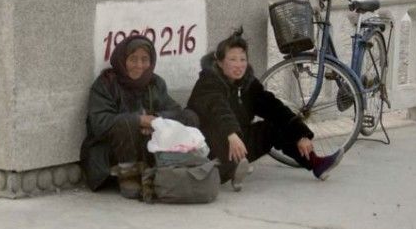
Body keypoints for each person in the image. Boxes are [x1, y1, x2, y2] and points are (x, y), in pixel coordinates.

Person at [186, 28, 343, 191]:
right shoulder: (208, 82)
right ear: (219, 62)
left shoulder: (248, 84)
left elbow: (273, 107)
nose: (239, 65)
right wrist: (231, 133)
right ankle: (224, 169)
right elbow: (218, 109)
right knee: (221, 132)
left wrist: (300, 134)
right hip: (209, 146)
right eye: (232, 59)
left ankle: (316, 163)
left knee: (273, 127)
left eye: (242, 59)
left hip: (238, 143)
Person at [80, 34, 198, 199]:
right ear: (123, 60)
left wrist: (155, 120)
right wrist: (139, 120)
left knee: (189, 117)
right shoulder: (106, 83)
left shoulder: (155, 83)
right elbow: (99, 123)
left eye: (144, 60)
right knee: (127, 122)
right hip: (111, 152)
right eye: (133, 59)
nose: (139, 65)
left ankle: (176, 168)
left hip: (147, 147)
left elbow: (175, 111)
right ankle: (129, 175)